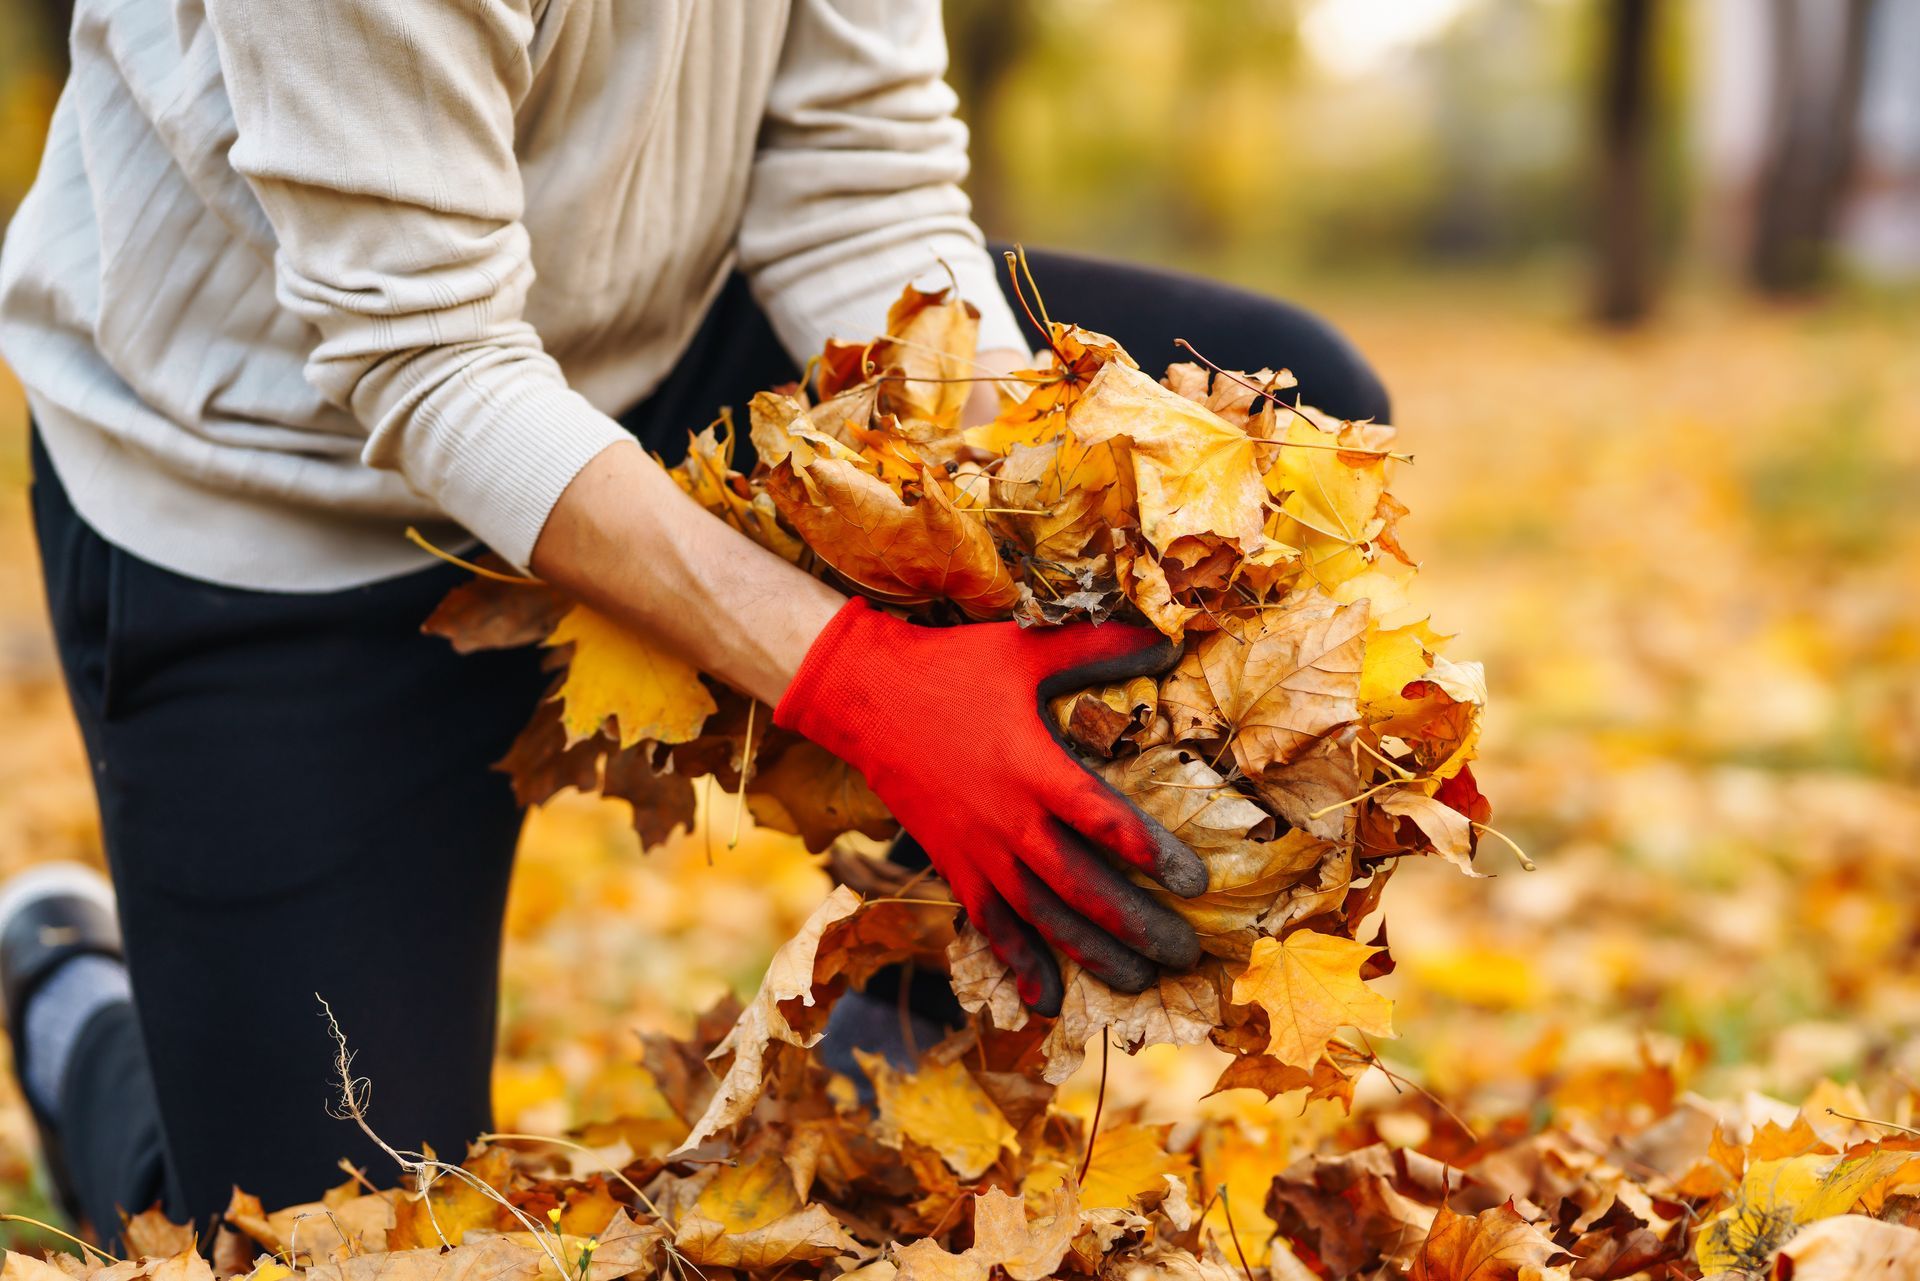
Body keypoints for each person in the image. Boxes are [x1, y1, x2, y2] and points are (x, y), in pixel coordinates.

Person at [0, 0, 1390, 1248]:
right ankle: (77, 1022)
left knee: (1272, 423)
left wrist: (1037, 522)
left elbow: (858, 179)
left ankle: (877, 1106)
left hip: (658, 362)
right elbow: (424, 355)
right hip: (272, 493)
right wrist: (863, 683)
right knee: (335, 1229)